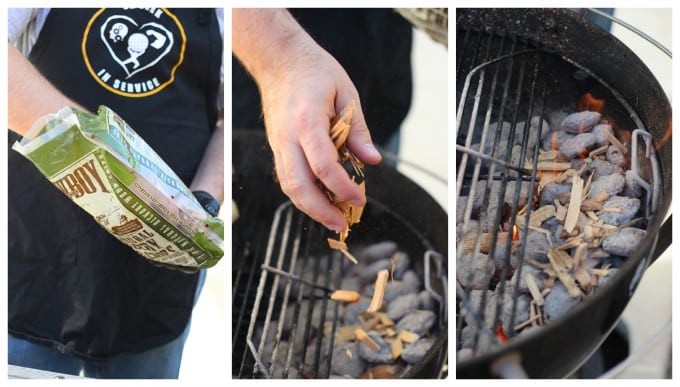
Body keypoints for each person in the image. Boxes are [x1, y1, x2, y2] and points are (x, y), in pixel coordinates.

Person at [7, 8, 224, 378]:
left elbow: (231, 112)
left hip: (156, 281)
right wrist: (123, 165)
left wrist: (203, 200)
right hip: (40, 253)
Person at [232, 8, 413, 232]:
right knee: (264, 227)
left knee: (372, 218)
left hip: (383, 73)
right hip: (283, 101)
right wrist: (282, 54)